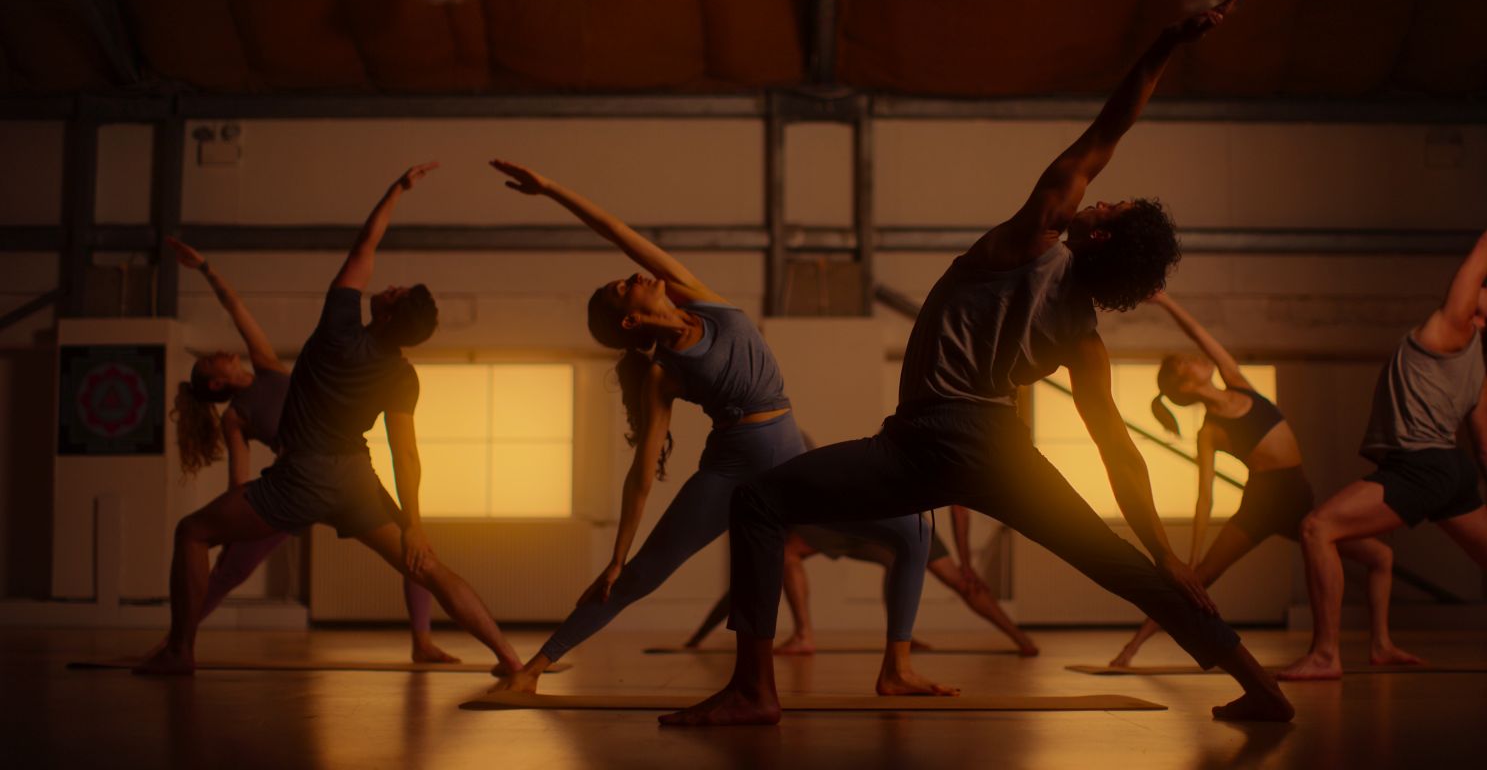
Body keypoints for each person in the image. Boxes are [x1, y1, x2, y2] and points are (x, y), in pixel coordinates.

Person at [663, 0, 1297, 726]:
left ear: (1096, 238)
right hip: (997, 451)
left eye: (1110, 209)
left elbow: (1107, 131)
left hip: (923, 442)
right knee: (1125, 566)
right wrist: (1166, 552)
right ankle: (1258, 684)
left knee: (760, 500)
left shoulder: (1031, 236)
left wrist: (1163, 45)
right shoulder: (1081, 338)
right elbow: (1118, 450)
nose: (1101, 200)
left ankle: (754, 689)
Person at [488, 160, 948, 697]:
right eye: (622, 289)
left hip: (793, 464)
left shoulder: (695, 294)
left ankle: (896, 669)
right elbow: (641, 472)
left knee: (914, 530)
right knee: (641, 575)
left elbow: (620, 232)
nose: (632, 275)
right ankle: (534, 670)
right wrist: (615, 555)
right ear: (631, 321)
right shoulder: (663, 374)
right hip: (731, 473)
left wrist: (552, 190)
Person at [136, 163, 522, 676]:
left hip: (299, 478)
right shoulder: (403, 376)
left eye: (396, 292)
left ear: (387, 313)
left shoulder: (339, 326)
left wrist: (396, 191)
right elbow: (404, 453)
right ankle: (511, 659)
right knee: (424, 564)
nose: (390, 285)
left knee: (191, 531)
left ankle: (180, 651)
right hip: (353, 478)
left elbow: (365, 245)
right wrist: (415, 526)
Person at [1278, 189, 1487, 680]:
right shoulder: (1478, 377)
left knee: (1317, 528)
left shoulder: (1453, 327)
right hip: (1450, 472)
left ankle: (1325, 655)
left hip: (1419, 466)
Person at [159, 236, 457, 665]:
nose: (221, 354)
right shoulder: (234, 417)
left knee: (416, 548)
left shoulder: (265, 365)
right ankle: (176, 642)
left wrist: (206, 268)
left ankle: (423, 641)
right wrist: (233, 522)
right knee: (229, 571)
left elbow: (236, 308)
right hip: (292, 487)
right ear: (217, 385)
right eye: (213, 363)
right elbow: (239, 478)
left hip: (341, 474)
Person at [1108, 292, 1416, 669]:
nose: (1195, 359)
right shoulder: (1211, 431)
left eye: (1188, 356)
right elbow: (1204, 496)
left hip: (1298, 498)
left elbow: (1201, 335)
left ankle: (1381, 645)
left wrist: (1167, 302)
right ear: (1184, 386)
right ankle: (1132, 648)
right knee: (1200, 578)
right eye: (1185, 363)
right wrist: (1191, 555)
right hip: (1262, 502)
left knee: (1380, 555)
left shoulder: (1239, 383)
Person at [682, 505, 1039, 657]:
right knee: (785, 555)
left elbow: (959, 510)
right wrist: (696, 639)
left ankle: (1021, 639)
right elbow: (746, 583)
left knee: (957, 579)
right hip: (853, 518)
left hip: (892, 519)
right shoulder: (787, 513)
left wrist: (965, 563)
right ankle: (806, 636)